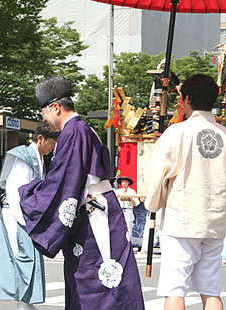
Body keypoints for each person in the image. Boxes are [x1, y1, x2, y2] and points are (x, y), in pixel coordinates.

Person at [18, 76, 144, 309]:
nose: (43, 118)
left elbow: (64, 180)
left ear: (56, 108)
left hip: (97, 216)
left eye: (43, 112)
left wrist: (29, 193)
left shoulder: (74, 131)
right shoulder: (82, 129)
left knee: (96, 284)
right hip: (96, 210)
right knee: (90, 281)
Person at [144, 74, 226, 310]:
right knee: (211, 291)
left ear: (186, 99)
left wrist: (155, 202)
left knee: (175, 290)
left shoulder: (177, 133)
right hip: (215, 221)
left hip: (183, 219)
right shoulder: (224, 134)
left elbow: (156, 175)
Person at [0, 121, 59, 309]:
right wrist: (25, 221)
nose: (52, 149)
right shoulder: (24, 158)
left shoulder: (36, 157)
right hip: (16, 215)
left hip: (26, 216)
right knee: (22, 257)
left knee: (28, 257)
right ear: (40, 138)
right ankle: (23, 304)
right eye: (51, 144)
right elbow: (14, 192)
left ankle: (25, 303)